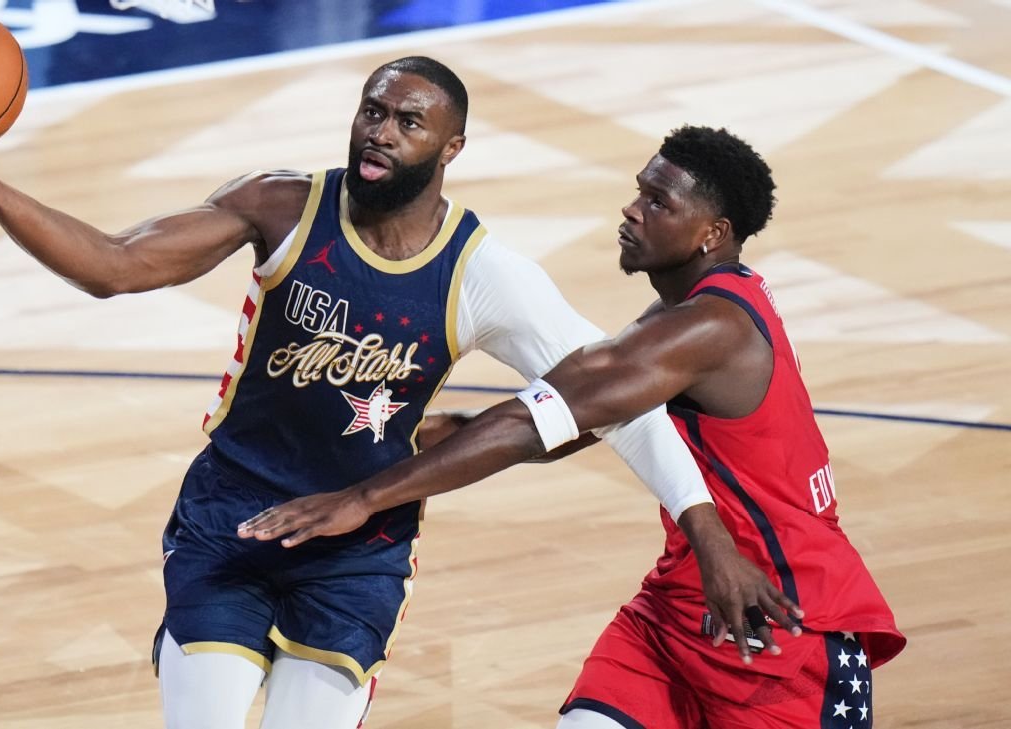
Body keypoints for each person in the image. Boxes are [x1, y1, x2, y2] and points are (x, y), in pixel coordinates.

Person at [0, 57, 792, 729]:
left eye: (408, 122)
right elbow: (116, 266)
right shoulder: (281, 206)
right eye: (372, 111)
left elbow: (616, 402)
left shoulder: (484, 274)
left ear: (451, 148)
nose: (380, 132)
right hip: (233, 515)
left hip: (359, 548)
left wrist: (706, 531)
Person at [238, 126, 906, 728]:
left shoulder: (709, 328)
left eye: (659, 202)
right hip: (680, 608)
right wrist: (439, 432)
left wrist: (364, 497)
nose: (632, 209)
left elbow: (537, 422)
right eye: (640, 190)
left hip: (778, 620)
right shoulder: (695, 315)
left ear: (713, 232)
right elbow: (585, 419)